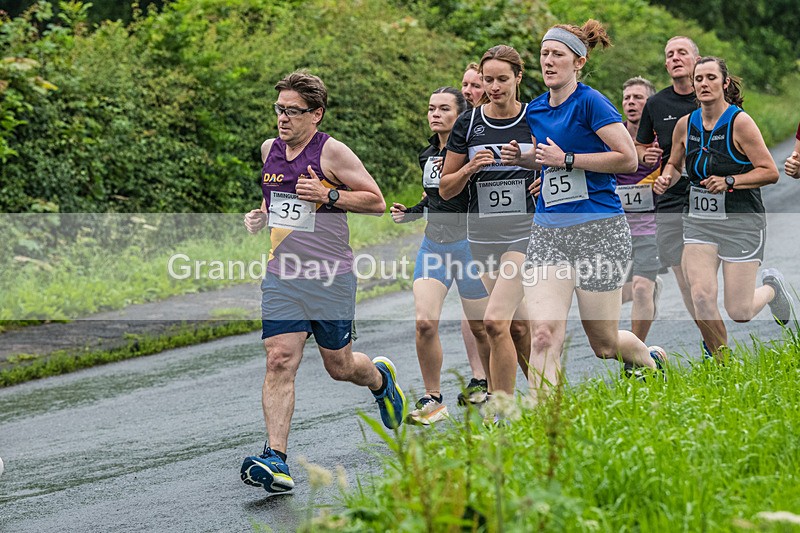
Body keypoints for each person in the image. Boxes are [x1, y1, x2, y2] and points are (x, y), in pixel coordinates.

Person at [239, 71, 406, 494]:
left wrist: (328, 195)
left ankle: (380, 379)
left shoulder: (332, 152)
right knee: (279, 358)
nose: (282, 119)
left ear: (316, 114)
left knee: (340, 366)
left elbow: (375, 201)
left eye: (292, 111)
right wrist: (261, 215)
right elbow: (274, 195)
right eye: (279, 109)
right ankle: (276, 458)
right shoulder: (268, 150)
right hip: (283, 274)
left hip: (330, 276)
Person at [501, 20, 667, 398]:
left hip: (599, 230)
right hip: (548, 233)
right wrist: (525, 158)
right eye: (544, 54)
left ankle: (650, 361)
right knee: (543, 334)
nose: (548, 61)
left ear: (578, 61)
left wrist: (568, 159)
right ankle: (549, 430)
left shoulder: (591, 102)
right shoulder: (537, 110)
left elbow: (626, 159)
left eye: (557, 54)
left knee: (605, 345)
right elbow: (548, 158)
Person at [653, 57, 793, 359]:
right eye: (698, 79)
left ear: (724, 83)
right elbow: (674, 164)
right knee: (701, 295)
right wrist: (666, 179)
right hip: (699, 221)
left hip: (742, 221)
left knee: (739, 310)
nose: (703, 84)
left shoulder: (740, 122)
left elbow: (770, 171)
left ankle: (772, 289)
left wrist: (730, 180)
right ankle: (722, 364)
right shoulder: (685, 125)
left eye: (710, 78)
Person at [390, 87, 491, 424]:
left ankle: (490, 387)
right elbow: (436, 201)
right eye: (431, 107)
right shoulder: (427, 155)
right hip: (433, 245)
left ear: (460, 115)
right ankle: (432, 398)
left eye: (443, 108)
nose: (434, 114)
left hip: (469, 246)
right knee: (424, 323)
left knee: (481, 327)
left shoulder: (475, 153)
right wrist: (412, 212)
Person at [440, 45, 536, 400]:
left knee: (495, 322)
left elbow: (552, 163)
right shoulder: (468, 123)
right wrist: (469, 167)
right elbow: (447, 188)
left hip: (524, 234)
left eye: (502, 79)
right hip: (482, 237)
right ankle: (550, 402)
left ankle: (502, 410)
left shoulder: (533, 117)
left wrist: (538, 172)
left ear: (518, 78)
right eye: (488, 80)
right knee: (520, 327)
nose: (494, 87)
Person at [634, 36, 707, 355]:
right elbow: (638, 147)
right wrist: (645, 155)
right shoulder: (656, 104)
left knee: (702, 281)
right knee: (686, 280)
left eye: (682, 52)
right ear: (665, 64)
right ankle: (711, 343)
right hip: (670, 199)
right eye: (669, 54)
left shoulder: (712, 96)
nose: (675, 58)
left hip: (710, 195)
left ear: (696, 59)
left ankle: (714, 341)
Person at [617, 77, 663, 343]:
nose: (631, 103)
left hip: (651, 228)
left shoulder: (660, 139)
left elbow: (677, 171)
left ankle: (637, 354)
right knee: (617, 293)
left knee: (642, 289)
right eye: (627, 98)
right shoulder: (614, 137)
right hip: (616, 229)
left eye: (638, 98)